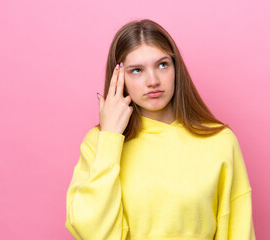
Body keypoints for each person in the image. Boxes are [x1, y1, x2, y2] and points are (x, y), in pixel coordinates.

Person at [65, 19, 256, 240]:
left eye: (163, 65)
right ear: (119, 79)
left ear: (177, 69)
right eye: (137, 70)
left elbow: (238, 230)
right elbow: (89, 229)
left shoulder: (220, 140)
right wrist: (110, 138)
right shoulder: (100, 142)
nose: (153, 81)